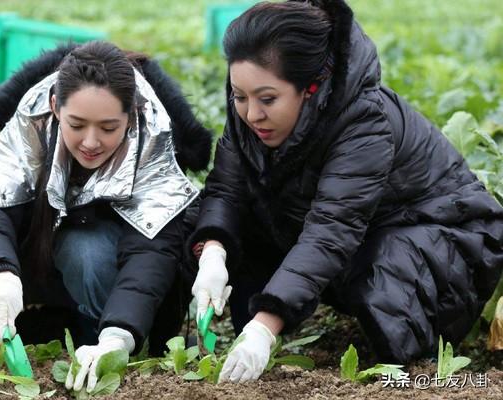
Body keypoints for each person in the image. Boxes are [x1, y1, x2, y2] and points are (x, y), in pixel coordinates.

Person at [188, 0, 503, 383]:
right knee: (216, 220)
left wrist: (266, 327)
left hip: (443, 234)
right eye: (239, 97)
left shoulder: (363, 121)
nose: (252, 114)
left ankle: (404, 366)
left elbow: (332, 228)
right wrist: (213, 253)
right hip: (358, 233)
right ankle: (249, 324)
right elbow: (225, 190)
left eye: (267, 99)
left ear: (310, 87)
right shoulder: (252, 114)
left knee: (385, 278)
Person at [0, 40, 211, 393]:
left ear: (131, 115)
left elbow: (151, 253)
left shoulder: (155, 147)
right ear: (55, 107)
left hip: (99, 279)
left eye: (108, 128)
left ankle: (93, 335)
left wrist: (120, 334)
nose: (91, 142)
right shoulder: (31, 125)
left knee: (86, 250)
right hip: (28, 261)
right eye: (77, 124)